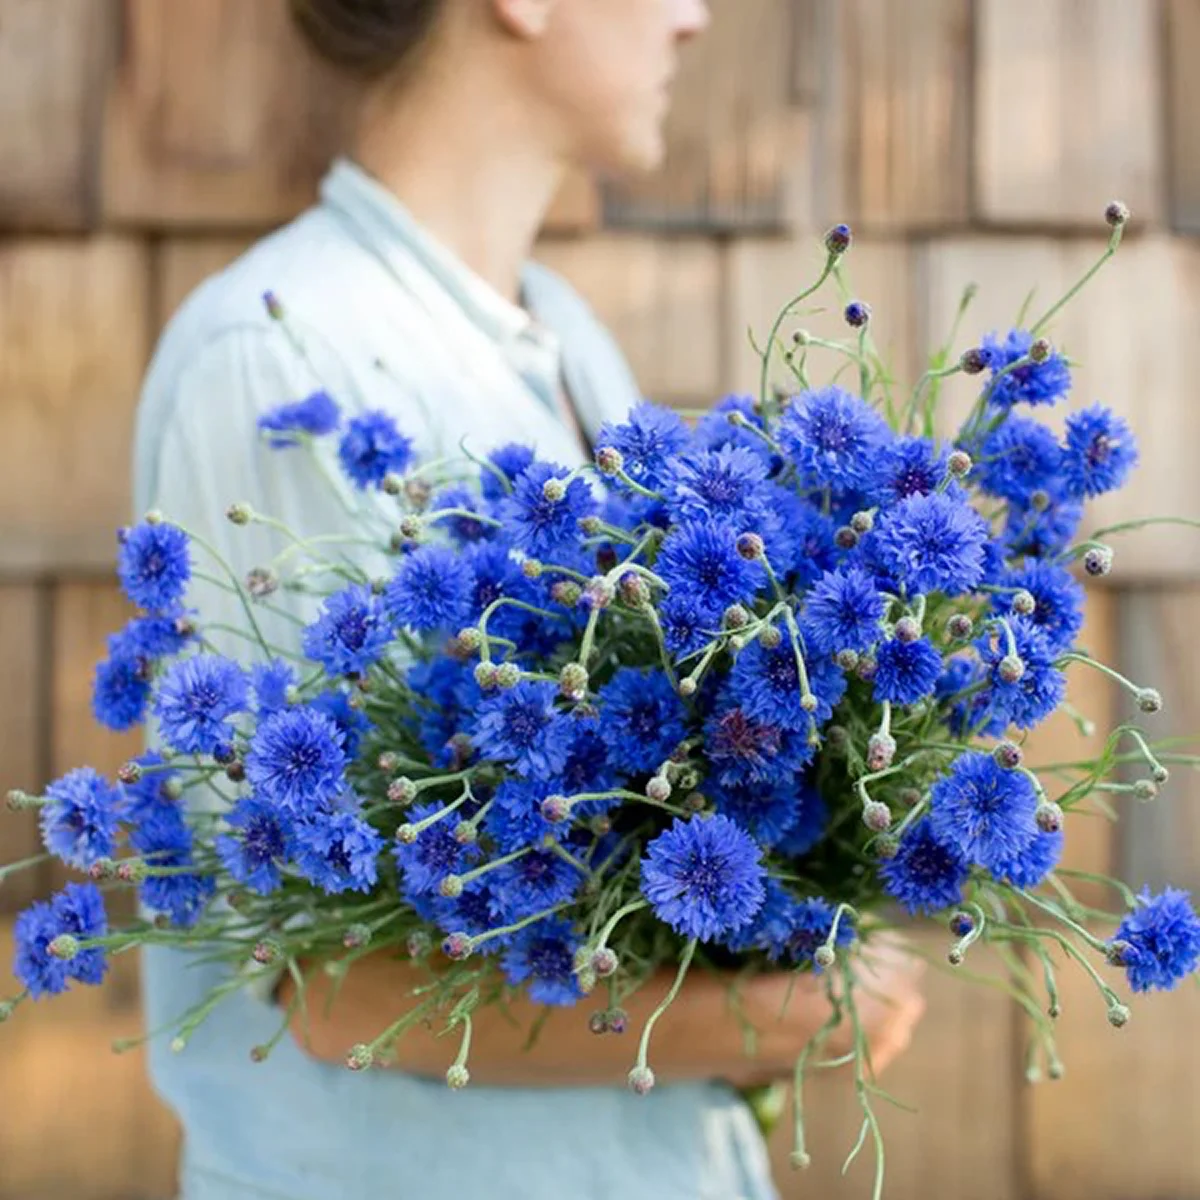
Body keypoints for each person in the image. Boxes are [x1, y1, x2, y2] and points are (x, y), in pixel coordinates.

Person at [132, 2, 926, 1197]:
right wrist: (793, 1012)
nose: (692, 20)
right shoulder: (279, 356)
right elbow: (333, 985)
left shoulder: (564, 342)